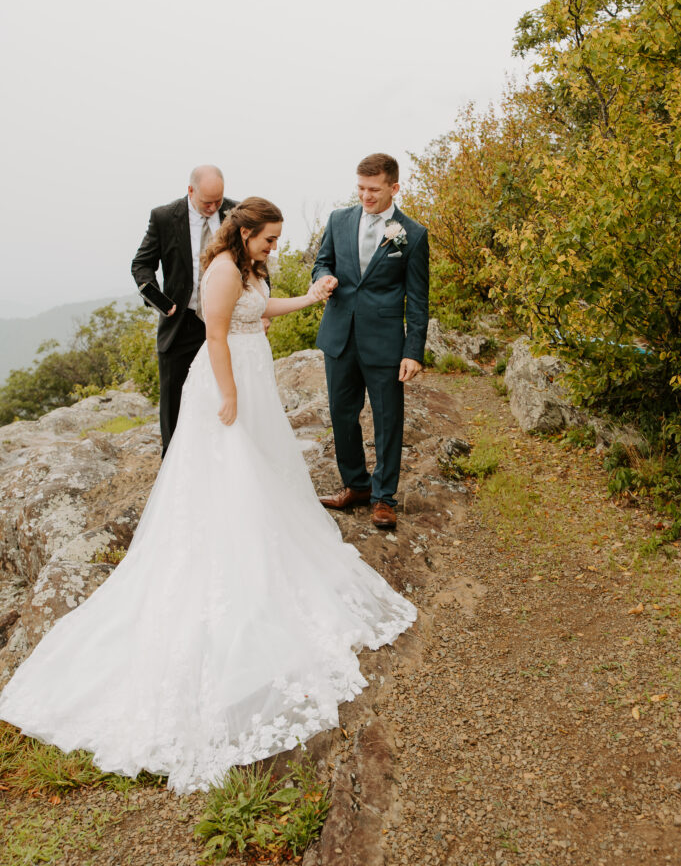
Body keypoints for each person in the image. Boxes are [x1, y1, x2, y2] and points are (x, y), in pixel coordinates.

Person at [0, 198, 416, 795]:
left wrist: (306, 299)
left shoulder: (247, 269)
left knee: (263, 474)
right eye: (269, 241)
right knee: (233, 472)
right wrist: (228, 397)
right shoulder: (220, 269)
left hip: (251, 370)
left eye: (275, 242)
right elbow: (217, 336)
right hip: (227, 379)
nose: (273, 249)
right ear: (244, 233)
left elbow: (258, 311)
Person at [313, 153, 429, 530]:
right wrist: (323, 278)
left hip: (384, 342)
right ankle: (356, 485)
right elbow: (322, 262)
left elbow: (418, 299)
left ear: (394, 188)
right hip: (340, 336)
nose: (365, 196)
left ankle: (384, 498)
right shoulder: (338, 220)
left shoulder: (412, 233)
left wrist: (413, 351)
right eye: (360, 188)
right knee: (342, 415)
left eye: (374, 190)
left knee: (388, 420)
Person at [131, 164, 237, 456]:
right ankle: (173, 462)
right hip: (181, 319)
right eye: (207, 202)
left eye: (218, 201)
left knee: (224, 390)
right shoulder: (164, 217)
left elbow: (253, 263)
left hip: (226, 320)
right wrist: (161, 303)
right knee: (174, 395)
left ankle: (221, 455)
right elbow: (141, 265)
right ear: (190, 191)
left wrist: (260, 309)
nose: (214, 207)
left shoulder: (237, 213)